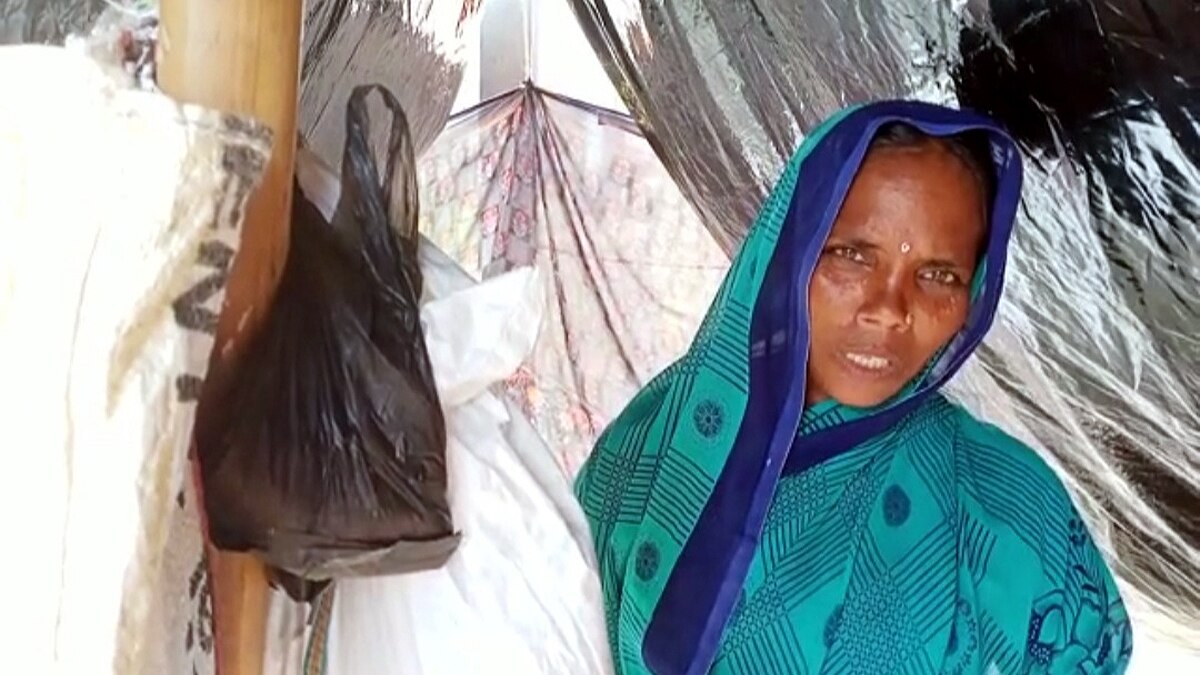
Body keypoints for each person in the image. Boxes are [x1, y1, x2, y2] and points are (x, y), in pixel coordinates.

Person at [574, 101, 1132, 674]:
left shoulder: (1005, 501)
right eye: (852, 256)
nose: (889, 310)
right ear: (790, 247)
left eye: (939, 276)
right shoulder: (654, 444)